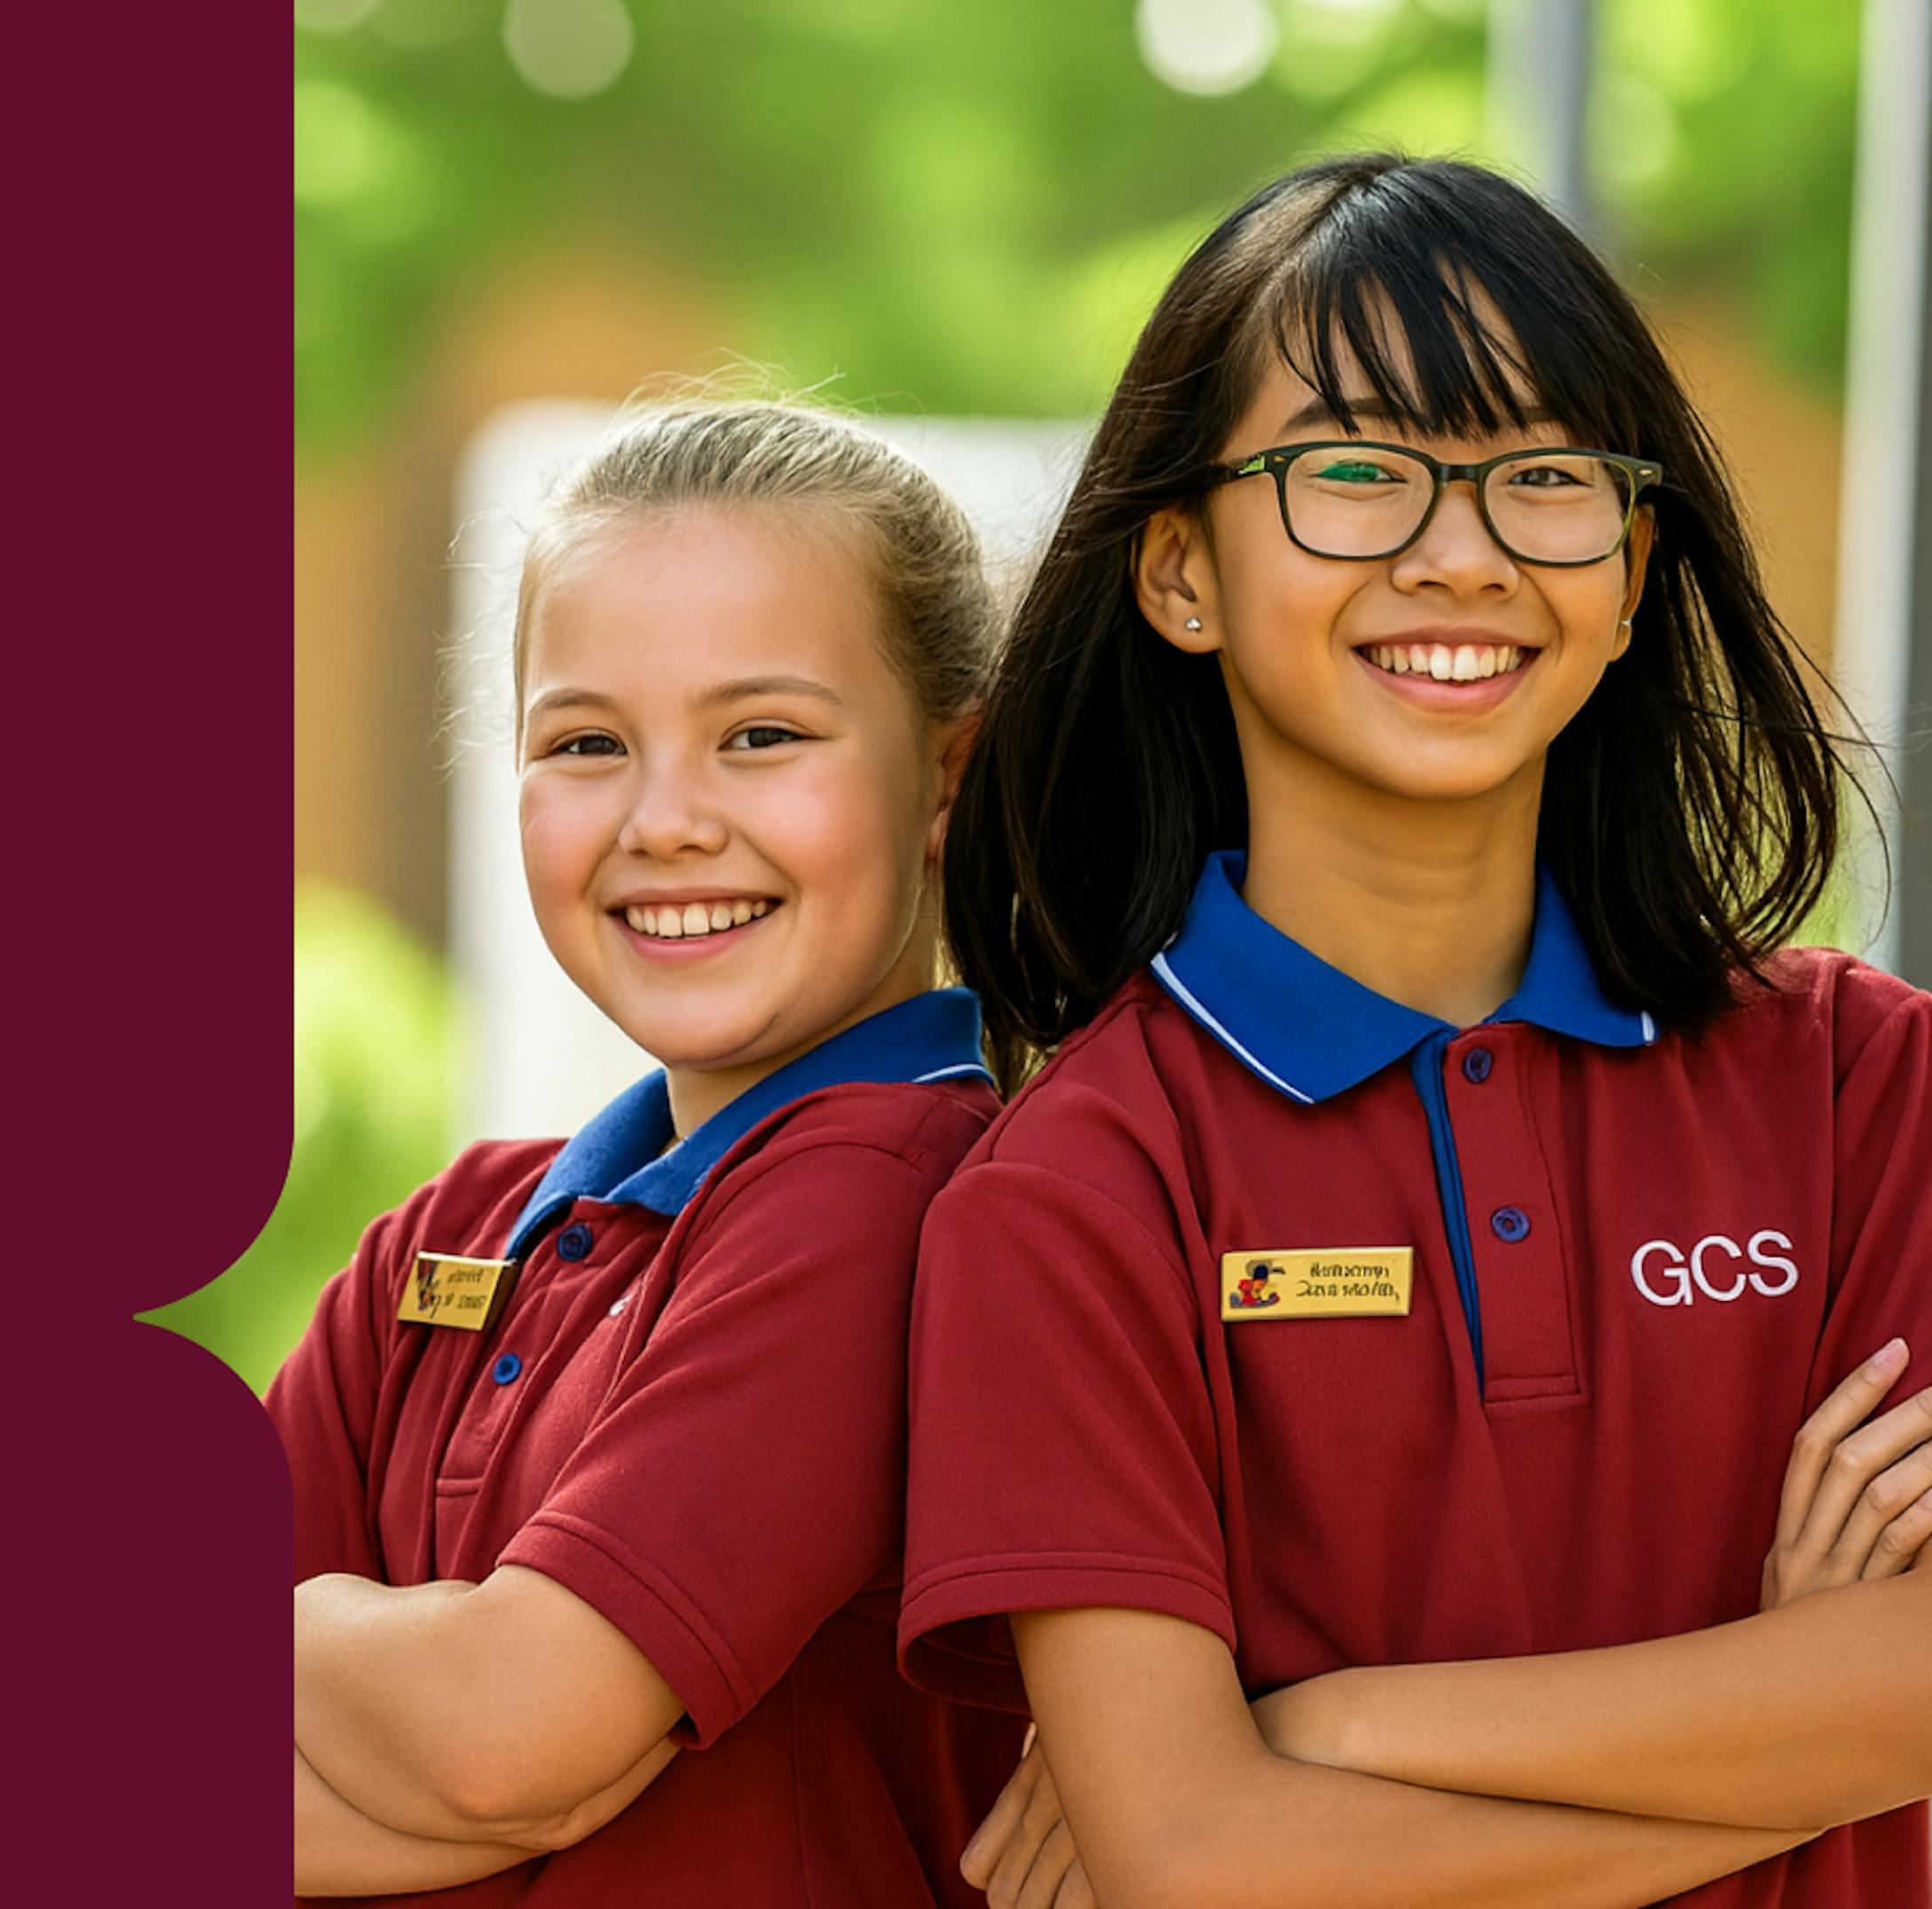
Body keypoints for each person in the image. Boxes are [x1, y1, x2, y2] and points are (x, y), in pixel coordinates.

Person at [905, 152, 1932, 1907]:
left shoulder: (1866, 1084)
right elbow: (1202, 1864)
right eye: (1359, 475)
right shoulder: (1074, 1196)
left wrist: (1327, 1728)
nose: (1459, 559)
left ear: (1630, 568)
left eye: (1544, 480)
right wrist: (1800, 1713)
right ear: (1181, 572)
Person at [272, 397, 1024, 1902]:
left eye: (762, 736)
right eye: (587, 742)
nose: (666, 820)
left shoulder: (904, 1202)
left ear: (947, 773)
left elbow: (507, 1738)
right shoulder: (457, 1230)